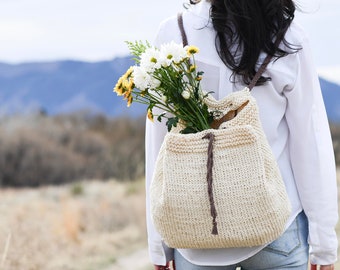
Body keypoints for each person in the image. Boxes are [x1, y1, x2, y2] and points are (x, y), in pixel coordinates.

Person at [145, 0, 338, 269]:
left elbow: (160, 144)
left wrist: (158, 245)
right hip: (275, 227)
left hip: (195, 231)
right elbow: (310, 145)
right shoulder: (287, 36)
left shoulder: (172, 34)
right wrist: (324, 244)